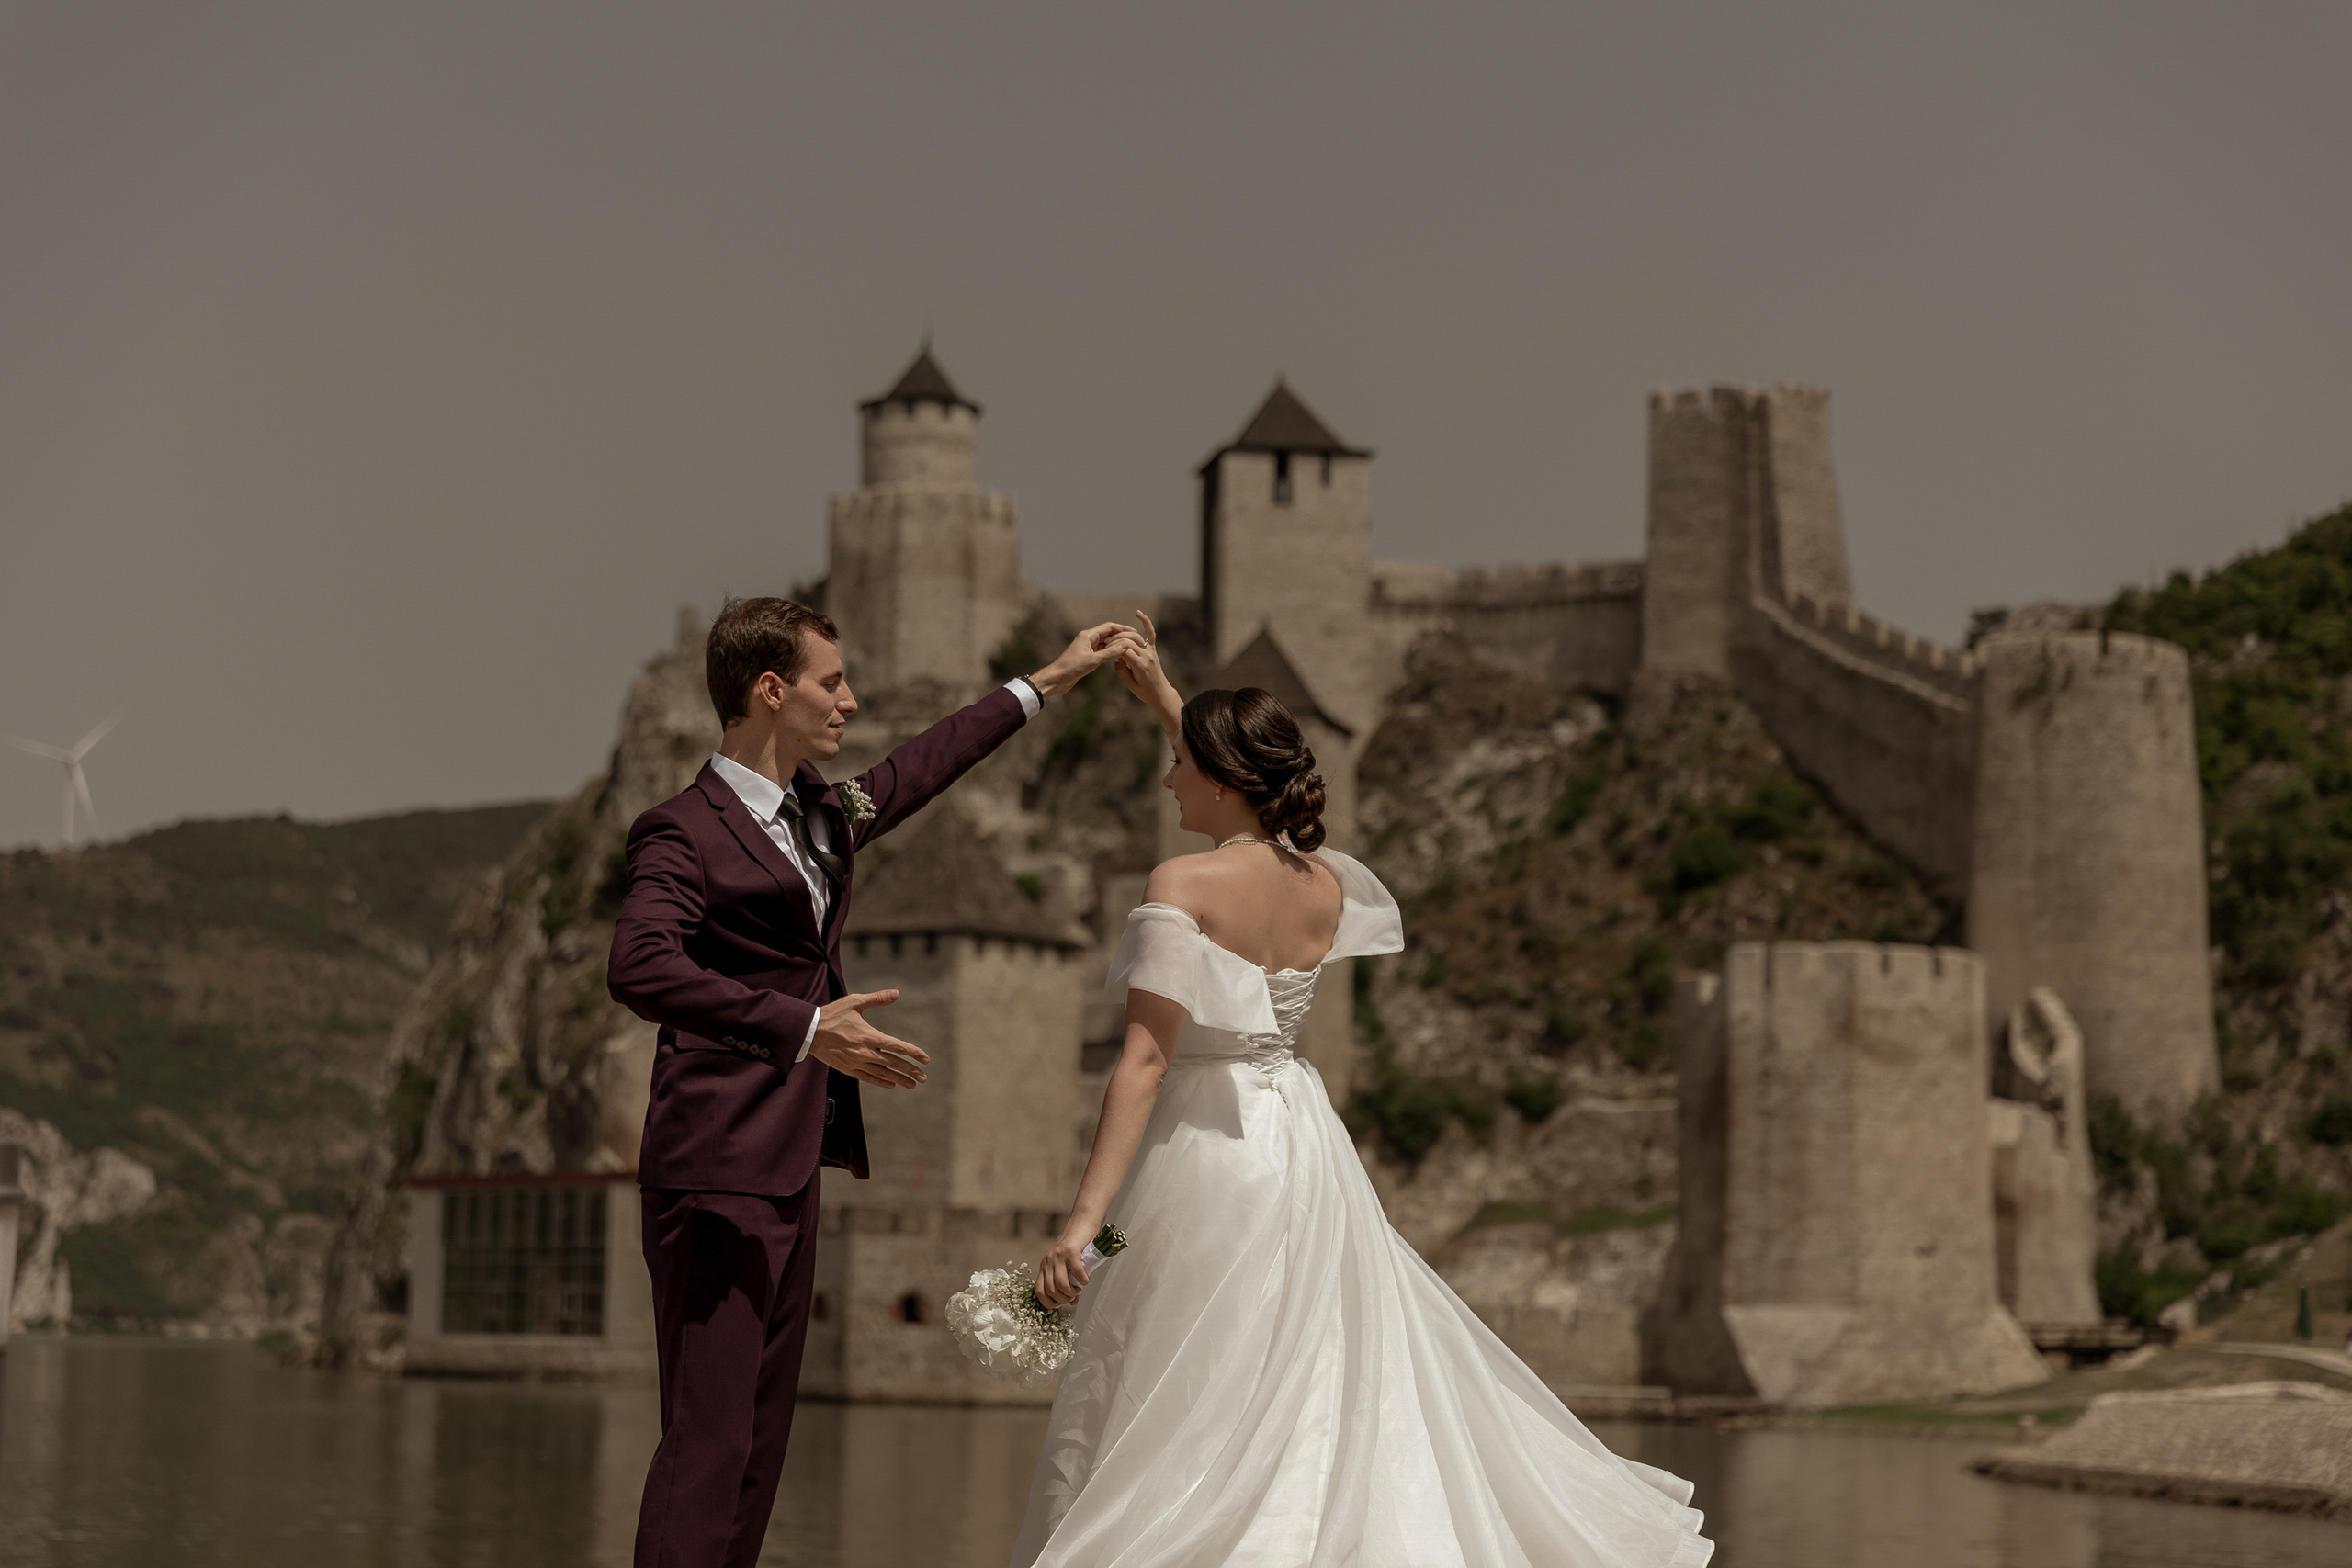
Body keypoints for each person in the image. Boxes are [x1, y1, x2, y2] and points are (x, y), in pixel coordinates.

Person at [1007, 614, 1713, 1567]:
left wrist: (1079, 1224)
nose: (1167, 776)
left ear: (1216, 776)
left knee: (1179, 1375)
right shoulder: (1325, 885)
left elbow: (1141, 1060)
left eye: (1181, 765)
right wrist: (1168, 700)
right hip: (1297, 1149)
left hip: (1205, 1153)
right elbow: (1235, 789)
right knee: (1294, 1371)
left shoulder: (1182, 881)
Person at [608, 596, 1141, 1568]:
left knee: (760, 1449)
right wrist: (804, 1029)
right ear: (770, 691)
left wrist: (1051, 679)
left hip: (788, 1164)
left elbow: (915, 770)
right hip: (713, 1171)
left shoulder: (821, 813)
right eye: (831, 682)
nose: (850, 701)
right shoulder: (678, 832)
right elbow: (639, 967)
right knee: (709, 1441)